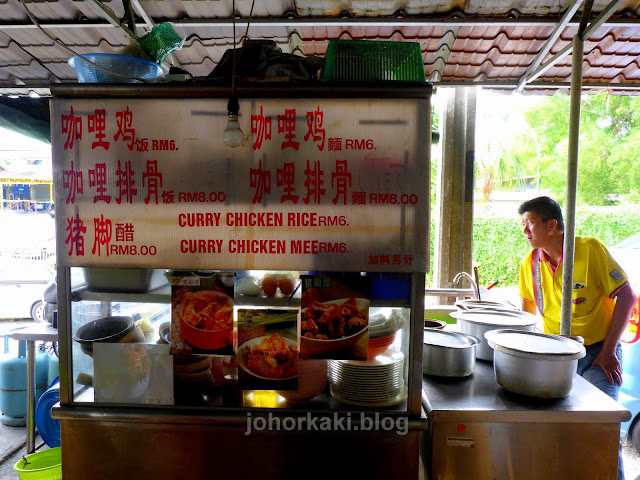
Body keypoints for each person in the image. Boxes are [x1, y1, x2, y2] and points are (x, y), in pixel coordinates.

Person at [518, 196, 637, 480]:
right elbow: (526, 317)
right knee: (557, 432)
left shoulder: (589, 249)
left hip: (597, 355)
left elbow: (627, 296)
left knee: (601, 430)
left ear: (551, 225)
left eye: (529, 224)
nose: (524, 231)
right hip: (555, 359)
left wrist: (608, 352)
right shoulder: (529, 264)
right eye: (522, 225)